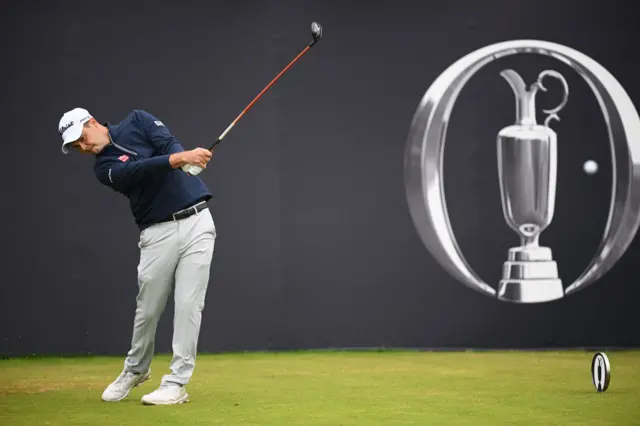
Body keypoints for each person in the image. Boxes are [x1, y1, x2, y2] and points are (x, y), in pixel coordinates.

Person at [58, 107, 217, 405]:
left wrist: (184, 159)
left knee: (188, 304)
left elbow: (166, 142)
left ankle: (176, 383)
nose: (82, 147)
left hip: (198, 222)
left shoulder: (138, 120)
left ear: (92, 122)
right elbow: (138, 170)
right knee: (148, 309)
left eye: (81, 138)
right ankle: (136, 370)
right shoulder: (104, 168)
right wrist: (181, 159)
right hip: (157, 233)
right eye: (76, 146)